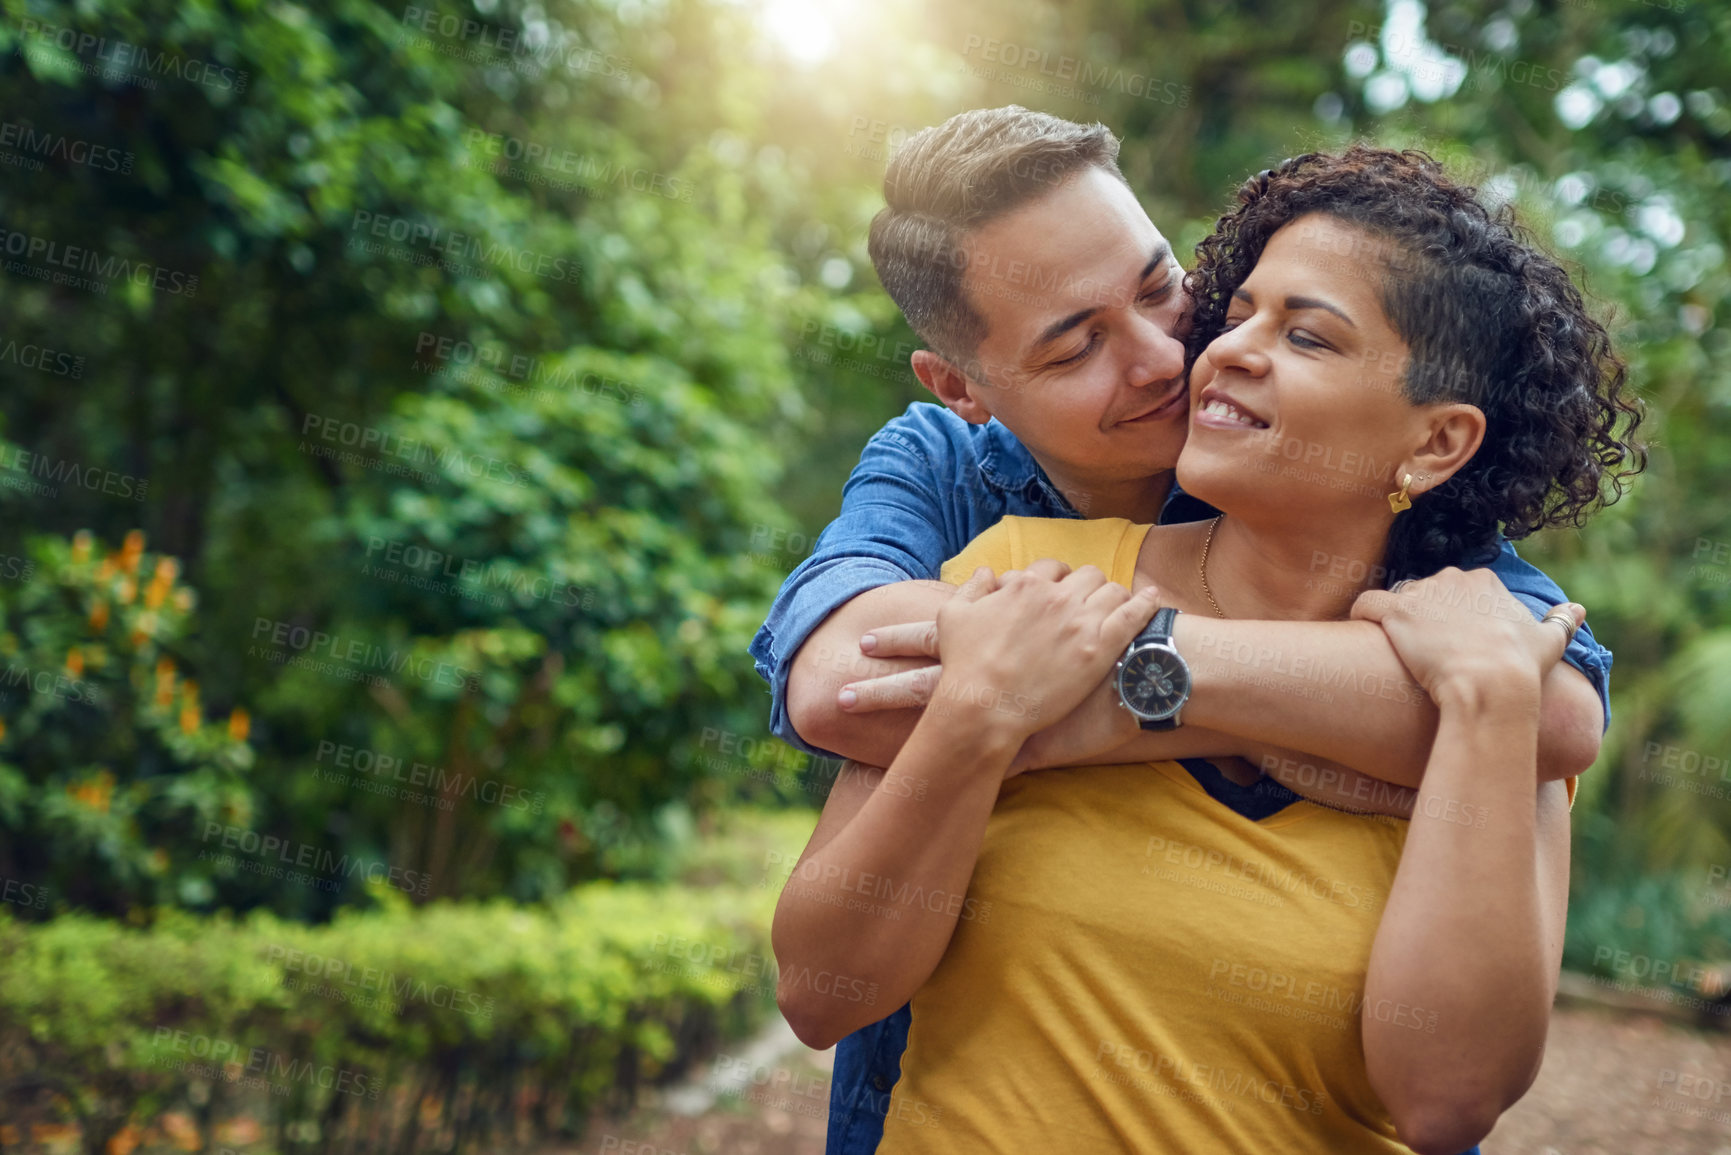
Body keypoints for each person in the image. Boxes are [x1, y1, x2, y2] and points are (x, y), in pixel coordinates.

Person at [748, 107, 1613, 1154]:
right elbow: (841, 686)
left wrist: (1092, 703)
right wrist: (990, 713)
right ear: (965, 389)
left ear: (1436, 444)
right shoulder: (1002, 554)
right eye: (1076, 346)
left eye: (1166, 288)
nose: (1180, 355)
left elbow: (1561, 718)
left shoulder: (1474, 651)